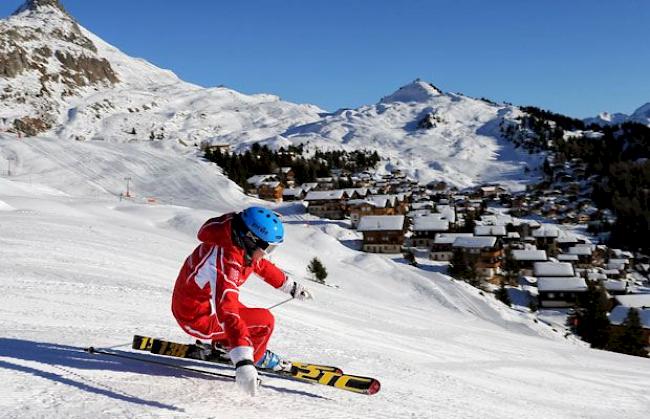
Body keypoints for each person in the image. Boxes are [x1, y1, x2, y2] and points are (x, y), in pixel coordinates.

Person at [171, 206, 314, 396]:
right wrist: (244, 361)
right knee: (265, 321)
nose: (267, 253)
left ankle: (225, 346)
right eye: (267, 247)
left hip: (198, 305)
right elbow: (227, 311)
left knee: (247, 317)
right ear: (251, 239)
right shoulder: (225, 261)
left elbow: (260, 265)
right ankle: (256, 357)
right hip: (196, 319)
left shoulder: (233, 240)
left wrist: (291, 287)